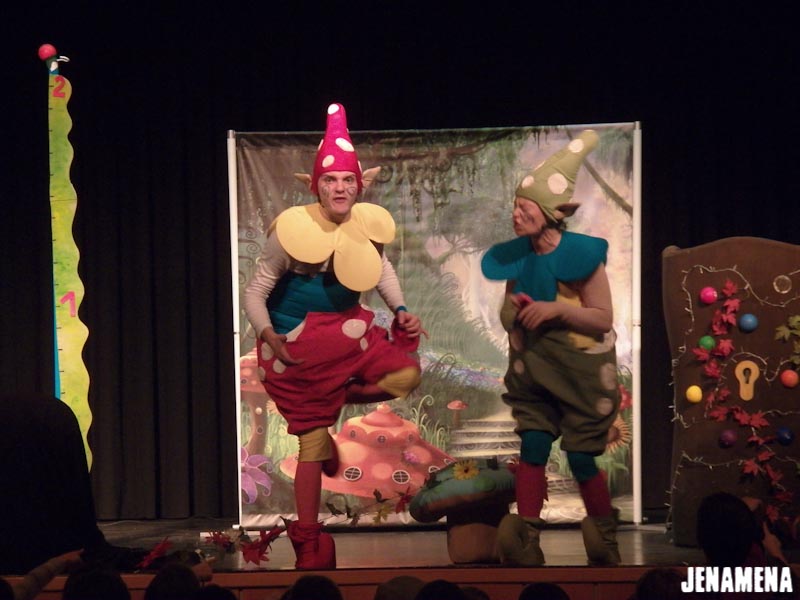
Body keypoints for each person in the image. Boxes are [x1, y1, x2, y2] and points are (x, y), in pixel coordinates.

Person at [243, 102, 424, 569]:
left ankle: (339, 395)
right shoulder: (290, 232)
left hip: (348, 337)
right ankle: (308, 540)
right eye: (330, 180)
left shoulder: (367, 225)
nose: (339, 188)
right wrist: (268, 334)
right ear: (316, 185)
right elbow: (256, 291)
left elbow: (380, 268)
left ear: (359, 185)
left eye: (347, 180)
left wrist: (401, 310)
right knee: (314, 444)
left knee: (406, 375)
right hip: (298, 349)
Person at [481, 130, 621, 566]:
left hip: (579, 379)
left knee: (580, 457)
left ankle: (604, 538)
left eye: (525, 209)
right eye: (515, 207)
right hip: (535, 376)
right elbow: (507, 314)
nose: (516, 215)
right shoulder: (518, 257)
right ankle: (526, 539)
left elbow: (602, 318)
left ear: (551, 213)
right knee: (534, 448)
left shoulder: (581, 256)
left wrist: (556, 310)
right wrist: (518, 311)